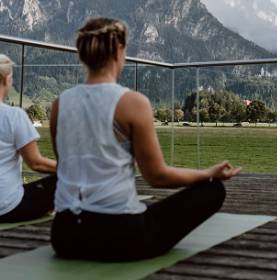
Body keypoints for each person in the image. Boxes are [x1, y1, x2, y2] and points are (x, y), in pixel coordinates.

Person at [50, 17, 241, 262]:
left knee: (142, 211)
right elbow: (156, 176)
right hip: (120, 237)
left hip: (65, 236)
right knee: (213, 191)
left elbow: (63, 166)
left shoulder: (60, 103)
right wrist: (207, 174)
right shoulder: (133, 103)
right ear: (119, 51)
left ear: (82, 53)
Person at [0, 54, 57, 223]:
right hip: (8, 208)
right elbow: (36, 163)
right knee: (67, 179)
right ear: (6, 79)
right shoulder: (13, 115)